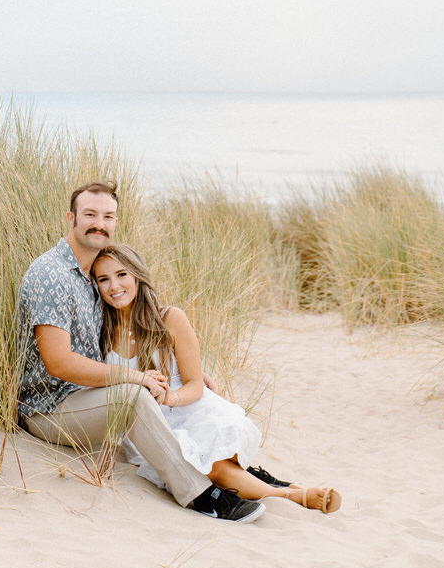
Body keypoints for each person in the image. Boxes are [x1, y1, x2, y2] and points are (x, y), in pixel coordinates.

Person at [15, 181, 264, 523]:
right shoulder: (52, 275)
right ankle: (200, 494)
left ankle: (229, 470)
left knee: (146, 397)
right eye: (90, 214)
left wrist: (180, 366)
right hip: (50, 409)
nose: (99, 223)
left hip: (90, 398)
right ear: (71, 219)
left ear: (116, 222)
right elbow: (58, 363)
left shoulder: (91, 276)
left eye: (108, 216)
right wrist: (135, 377)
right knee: (134, 397)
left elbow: (130, 326)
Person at [91, 242, 341, 513]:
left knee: (216, 464)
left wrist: (169, 396)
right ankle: (286, 492)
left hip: (191, 407)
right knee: (213, 468)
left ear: (137, 275)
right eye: (104, 279)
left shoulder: (170, 318)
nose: (114, 286)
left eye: (122, 274)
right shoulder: (100, 331)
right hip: (152, 424)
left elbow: (195, 385)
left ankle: (284, 492)